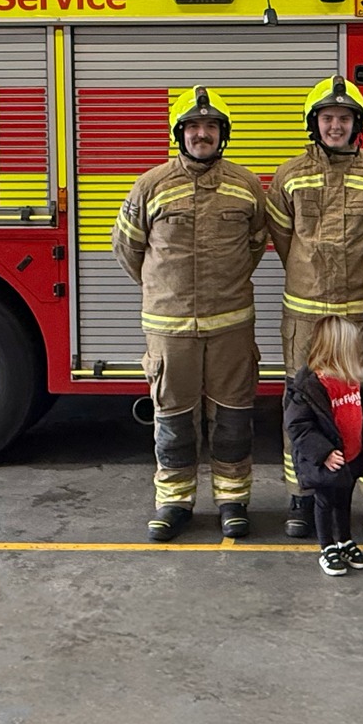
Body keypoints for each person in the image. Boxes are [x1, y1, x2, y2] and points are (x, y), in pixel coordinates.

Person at [114, 86, 267, 542]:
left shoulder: (246, 185)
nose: (203, 134)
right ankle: (174, 502)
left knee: (234, 417)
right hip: (170, 329)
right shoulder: (151, 185)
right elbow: (128, 249)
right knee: (174, 418)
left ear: (223, 133)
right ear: (179, 133)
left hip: (231, 325)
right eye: (195, 127)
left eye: (211, 126)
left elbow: (256, 244)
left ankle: (233, 500)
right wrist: (166, 291)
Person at [267, 77, 363, 542]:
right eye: (327, 119)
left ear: (356, 124)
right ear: (314, 124)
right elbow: (286, 242)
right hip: (305, 318)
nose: (335, 126)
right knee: (302, 405)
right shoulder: (288, 176)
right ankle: (303, 494)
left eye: (343, 119)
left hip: (359, 315)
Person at [282, 316, 363, 576]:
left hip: (350, 457)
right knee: (325, 502)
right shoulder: (311, 385)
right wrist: (324, 453)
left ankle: (344, 541)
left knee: (344, 502)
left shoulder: (355, 378)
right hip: (328, 460)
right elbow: (298, 426)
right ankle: (327, 546)